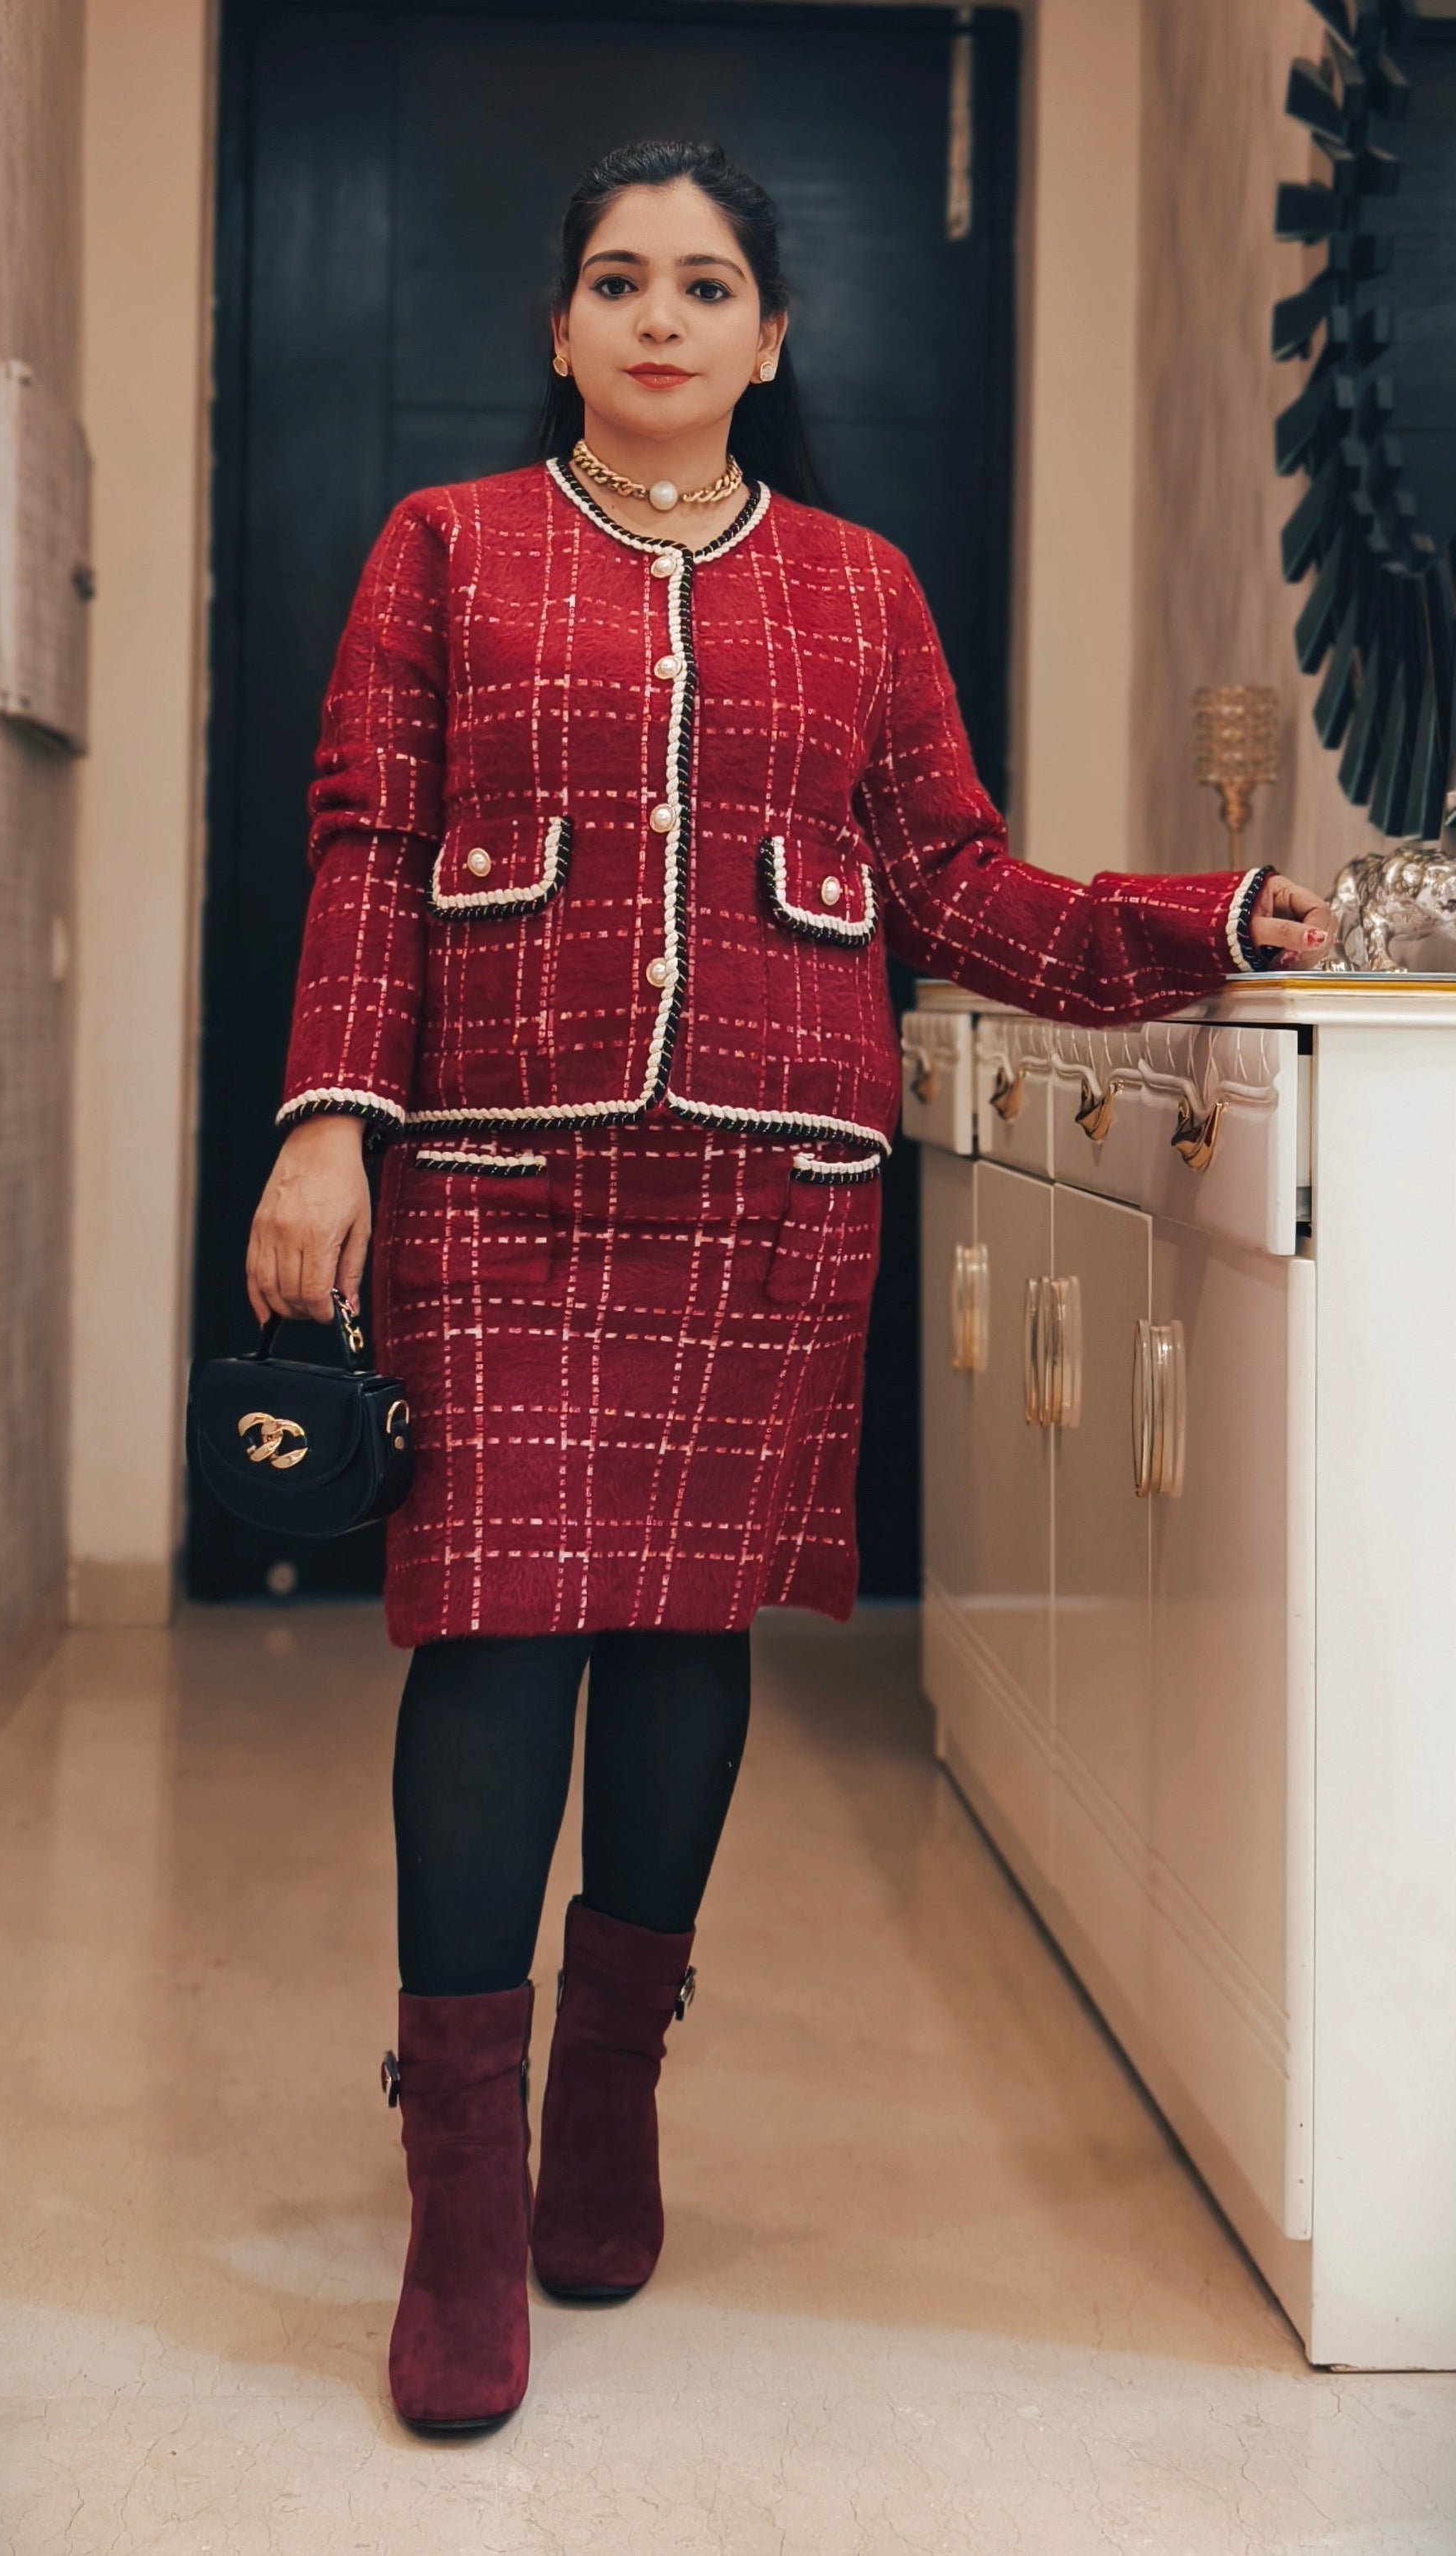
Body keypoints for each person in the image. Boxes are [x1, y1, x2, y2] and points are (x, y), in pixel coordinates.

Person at [245, 138, 1333, 2435]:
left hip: (769, 1184)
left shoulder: (858, 587)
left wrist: (1210, 921)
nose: (660, 316)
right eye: (618, 280)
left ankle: (607, 2107)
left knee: (680, 1638)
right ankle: (462, 2198)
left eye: (707, 283)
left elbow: (958, 882)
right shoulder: (442, 547)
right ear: (558, 327)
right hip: (502, 1175)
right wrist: (328, 1116)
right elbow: (365, 843)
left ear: (770, 335)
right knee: (491, 1639)